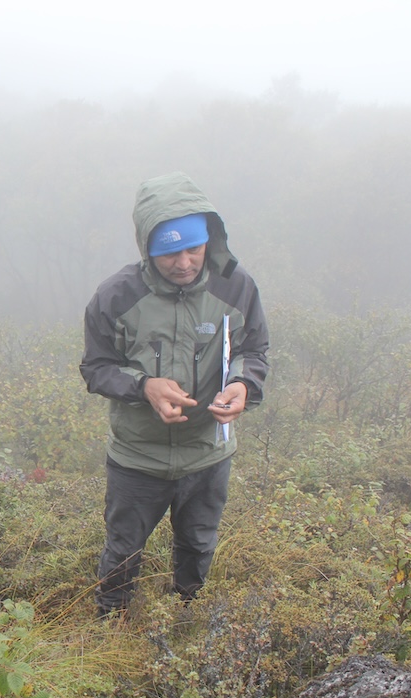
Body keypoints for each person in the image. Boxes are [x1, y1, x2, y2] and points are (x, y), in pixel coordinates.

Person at [79, 171, 269, 617]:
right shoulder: (115, 296)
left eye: (194, 249)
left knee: (199, 545)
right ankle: (112, 625)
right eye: (169, 252)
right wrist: (144, 386)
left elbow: (253, 350)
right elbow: (95, 368)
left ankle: (187, 617)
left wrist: (243, 384)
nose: (184, 262)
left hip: (207, 455)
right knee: (123, 549)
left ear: (210, 241)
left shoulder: (235, 287)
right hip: (137, 458)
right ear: (147, 247)